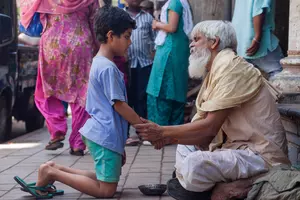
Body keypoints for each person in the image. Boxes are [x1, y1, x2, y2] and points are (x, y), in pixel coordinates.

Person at [134, 21, 291, 200]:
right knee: (185, 149)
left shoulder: (230, 66)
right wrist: (168, 136)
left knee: (194, 165)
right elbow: (201, 130)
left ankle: (246, 183)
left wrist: (162, 131)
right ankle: (209, 187)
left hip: (260, 156)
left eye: (196, 39)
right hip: (234, 148)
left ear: (214, 42)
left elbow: (208, 129)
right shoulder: (216, 68)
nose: (191, 45)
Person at [14, 6, 138, 199]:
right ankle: (52, 173)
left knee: (102, 179)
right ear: (111, 36)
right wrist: (143, 124)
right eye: (127, 36)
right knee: (106, 191)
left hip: (102, 133)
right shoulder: (108, 69)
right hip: (106, 134)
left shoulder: (98, 62)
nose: (130, 42)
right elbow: (119, 105)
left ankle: (53, 168)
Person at [19, 0, 99, 156]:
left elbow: (28, 10)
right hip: (82, 44)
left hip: (53, 45)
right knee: (82, 94)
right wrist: (96, 46)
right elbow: (94, 21)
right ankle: (77, 143)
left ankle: (57, 131)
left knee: (48, 90)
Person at [146, 0, 193, 126]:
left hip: (170, 49)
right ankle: (173, 130)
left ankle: (159, 130)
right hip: (177, 48)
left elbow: (172, 27)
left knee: (162, 88)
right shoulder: (182, 3)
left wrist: (157, 24)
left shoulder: (175, 3)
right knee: (176, 89)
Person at [124, 0, 156, 145]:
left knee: (141, 98)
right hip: (126, 64)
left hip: (144, 64)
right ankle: (125, 134)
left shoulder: (148, 18)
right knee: (126, 98)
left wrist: (153, 55)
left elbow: (155, 39)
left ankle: (142, 133)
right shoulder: (121, 16)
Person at [232, 0, 283, 79]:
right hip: (257, 40)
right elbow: (258, 10)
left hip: (240, 40)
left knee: (246, 79)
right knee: (280, 73)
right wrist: (257, 38)